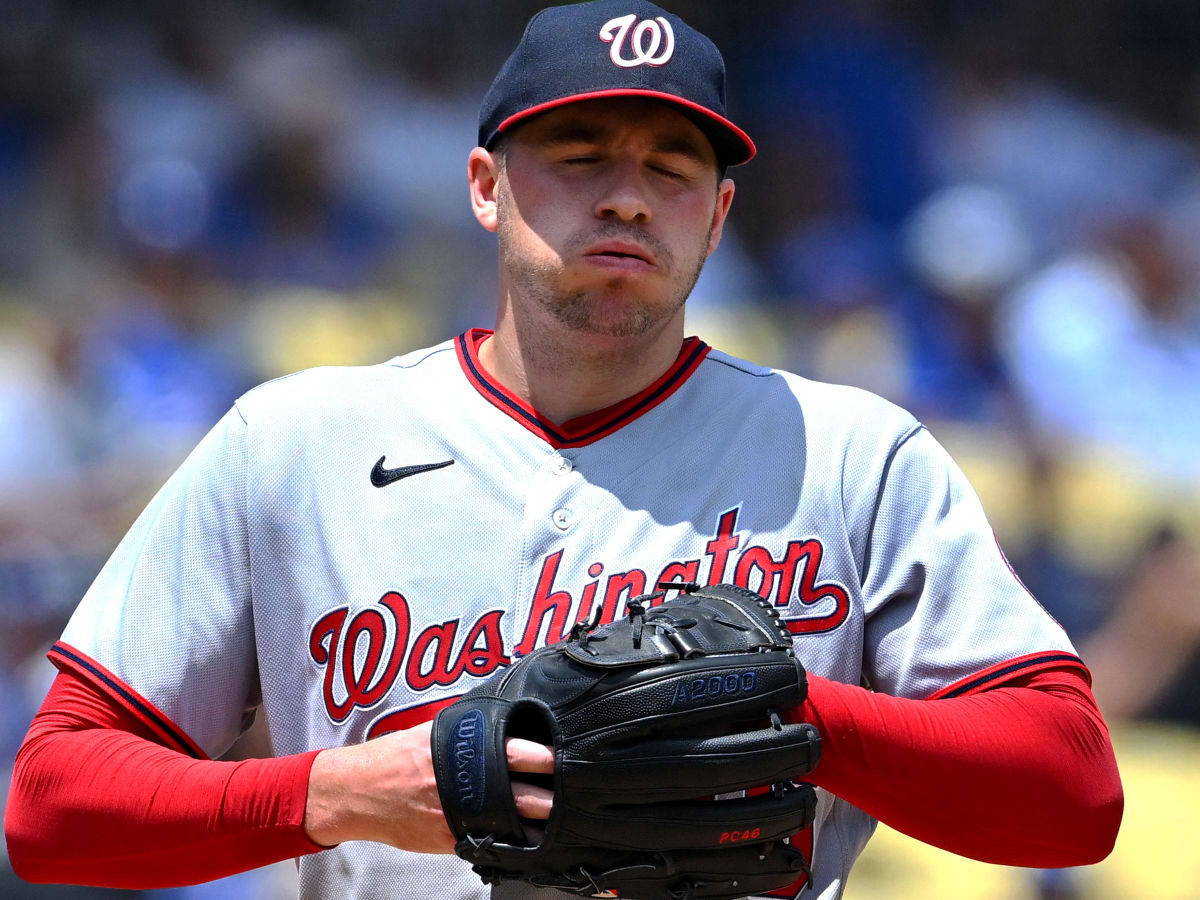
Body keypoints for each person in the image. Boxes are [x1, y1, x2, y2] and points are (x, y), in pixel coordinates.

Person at [5, 2, 1122, 898]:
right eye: (581, 156)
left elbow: (1071, 790)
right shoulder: (293, 444)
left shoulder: (854, 456)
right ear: (488, 186)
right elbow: (51, 806)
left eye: (673, 170)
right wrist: (334, 793)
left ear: (721, 216)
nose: (628, 198)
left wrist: (784, 714)